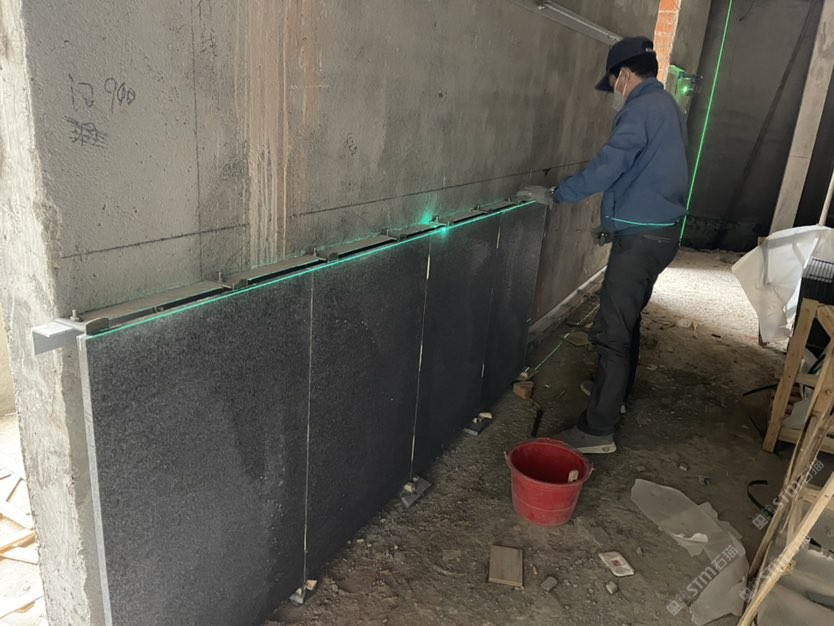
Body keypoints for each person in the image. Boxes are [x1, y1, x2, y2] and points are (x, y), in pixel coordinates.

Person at [518, 36, 689, 454]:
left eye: (613, 82)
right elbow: (645, 175)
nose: (614, 90)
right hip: (657, 233)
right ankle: (614, 395)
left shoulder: (640, 109)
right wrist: (614, 223)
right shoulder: (667, 107)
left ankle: (597, 430)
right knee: (627, 320)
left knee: (612, 332)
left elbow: (610, 166)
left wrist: (556, 194)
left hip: (641, 241)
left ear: (624, 75)